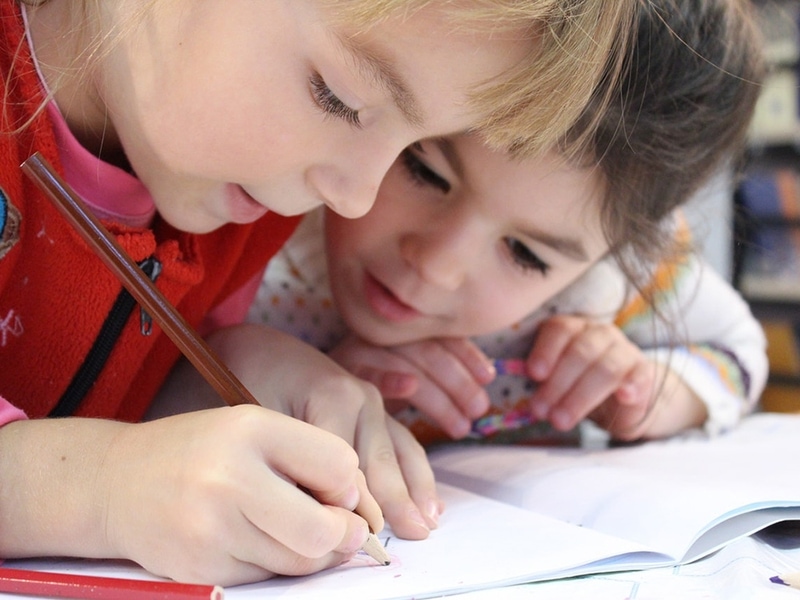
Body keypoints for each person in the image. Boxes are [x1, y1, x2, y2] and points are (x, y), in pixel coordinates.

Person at [0, 0, 636, 587]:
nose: (355, 197)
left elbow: (89, 399)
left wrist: (229, 372)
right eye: (339, 98)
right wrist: (105, 491)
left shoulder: (243, 201)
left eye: (411, 147)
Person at [248, 0, 768, 449]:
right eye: (425, 171)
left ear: (617, 252)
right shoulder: (261, 214)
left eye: (526, 255)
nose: (436, 265)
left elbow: (739, 350)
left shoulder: (619, 284)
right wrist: (287, 382)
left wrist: (652, 393)